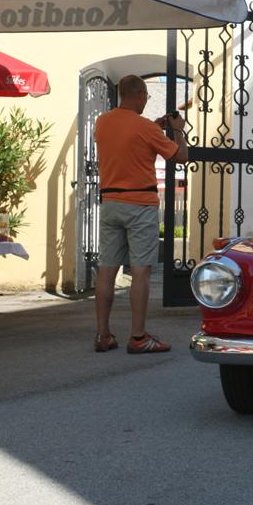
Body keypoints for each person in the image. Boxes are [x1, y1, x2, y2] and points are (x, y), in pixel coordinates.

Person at [94, 75, 188, 354]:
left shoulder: (103, 122)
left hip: (111, 201)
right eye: (145, 96)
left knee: (107, 270)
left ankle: (102, 334)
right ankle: (138, 337)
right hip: (141, 203)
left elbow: (127, 140)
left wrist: (153, 128)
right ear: (138, 95)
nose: (147, 101)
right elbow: (180, 156)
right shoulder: (145, 128)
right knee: (140, 272)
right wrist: (177, 130)